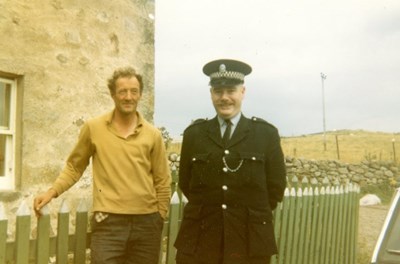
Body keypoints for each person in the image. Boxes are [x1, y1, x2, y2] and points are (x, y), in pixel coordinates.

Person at [33, 66, 171, 264]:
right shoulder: (93, 128)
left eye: (134, 91)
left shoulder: (153, 134)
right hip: (108, 223)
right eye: (122, 91)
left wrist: (160, 215)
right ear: (113, 94)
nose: (128, 97)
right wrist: (51, 192)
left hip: (146, 224)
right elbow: (74, 167)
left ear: (140, 94)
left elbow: (162, 179)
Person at [174, 59, 287, 264]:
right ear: (211, 94)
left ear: (242, 92)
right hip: (201, 238)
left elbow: (276, 187)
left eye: (231, 91)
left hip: (249, 240)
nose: (224, 98)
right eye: (218, 91)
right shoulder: (194, 134)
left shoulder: (265, 134)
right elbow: (186, 183)